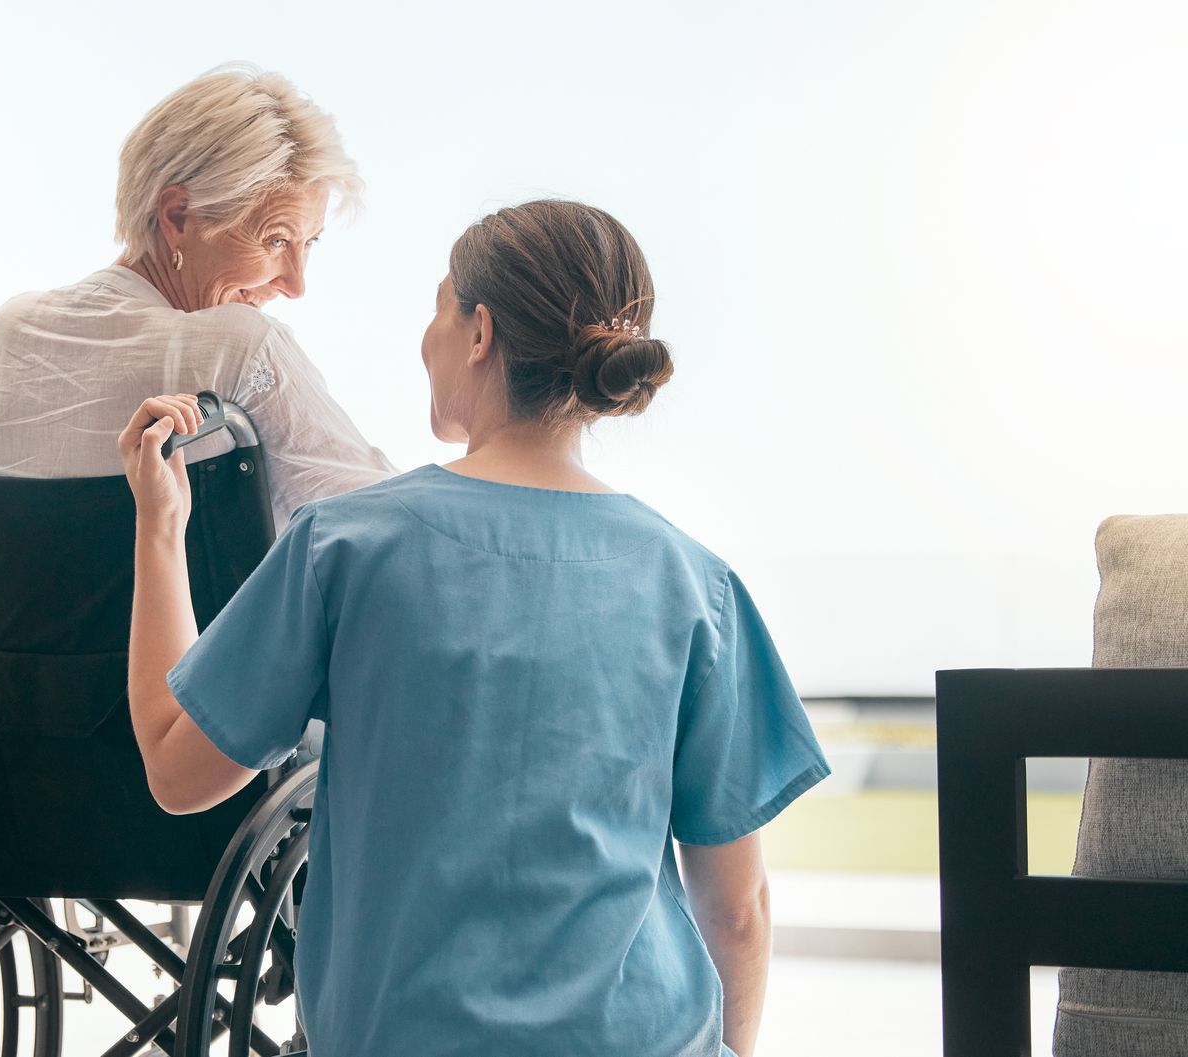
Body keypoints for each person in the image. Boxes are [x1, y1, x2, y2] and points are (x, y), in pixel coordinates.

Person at [118, 200, 830, 1056]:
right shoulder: (693, 581)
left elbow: (176, 766)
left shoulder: (345, 547)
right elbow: (739, 911)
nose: (427, 336)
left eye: (438, 306)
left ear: (480, 331)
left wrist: (159, 527)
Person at [0, 64, 394, 529]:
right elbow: (391, 530)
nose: (295, 285)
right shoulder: (237, 348)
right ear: (179, 215)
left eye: (310, 242)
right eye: (277, 240)